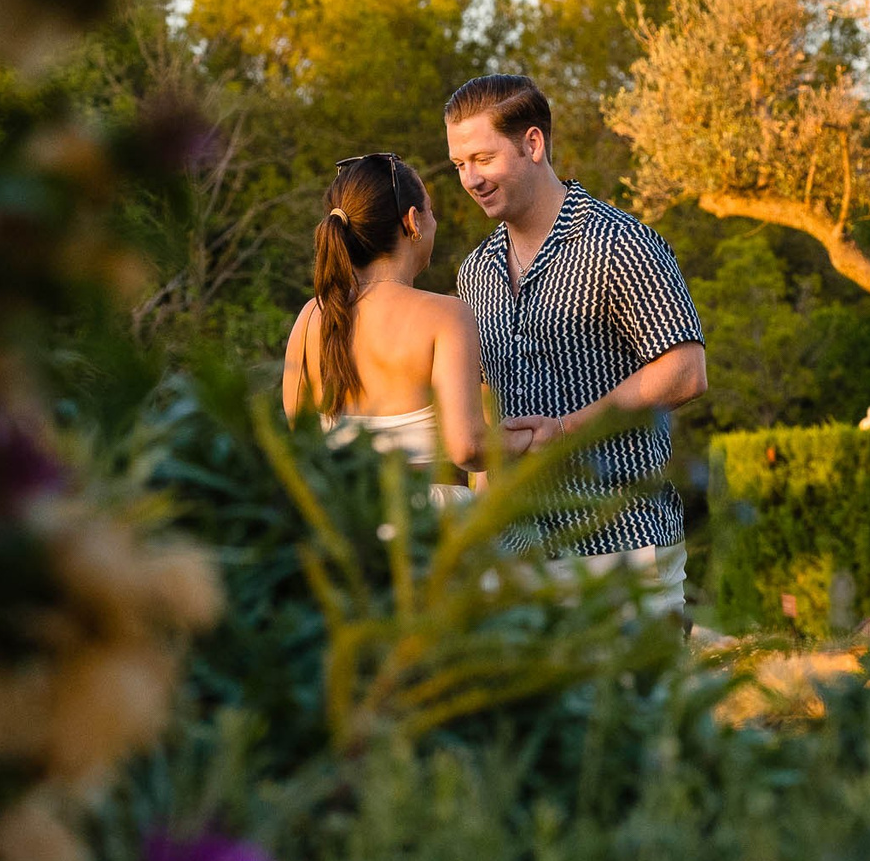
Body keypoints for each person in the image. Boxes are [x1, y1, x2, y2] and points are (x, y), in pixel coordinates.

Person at [443, 74, 708, 620]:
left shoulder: (619, 241)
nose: (470, 178)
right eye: (458, 165)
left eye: (482, 158)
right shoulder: (474, 273)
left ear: (533, 144)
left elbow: (686, 370)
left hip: (623, 549)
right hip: (519, 559)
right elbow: (493, 409)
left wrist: (567, 428)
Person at [280, 151, 497, 480]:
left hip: (347, 523)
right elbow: (467, 448)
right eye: (431, 211)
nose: (434, 222)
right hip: (432, 523)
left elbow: (299, 443)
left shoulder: (312, 316)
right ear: (413, 221)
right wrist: (541, 436)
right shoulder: (446, 316)